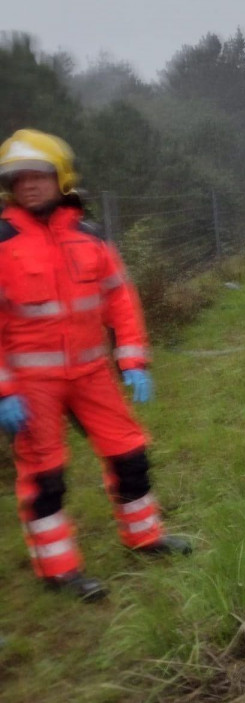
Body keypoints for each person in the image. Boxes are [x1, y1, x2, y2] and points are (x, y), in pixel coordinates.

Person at [0, 129, 190, 603]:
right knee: (45, 478)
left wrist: (133, 360)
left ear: (60, 177)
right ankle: (58, 570)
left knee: (130, 454)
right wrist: (4, 390)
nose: (28, 185)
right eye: (17, 178)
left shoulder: (91, 238)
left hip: (92, 375)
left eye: (37, 175)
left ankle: (144, 537)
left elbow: (119, 300)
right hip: (30, 384)